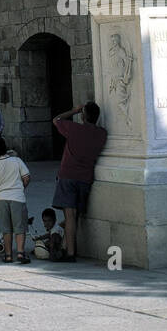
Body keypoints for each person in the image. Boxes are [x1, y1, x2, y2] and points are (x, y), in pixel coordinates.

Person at [51, 102, 107, 261]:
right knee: (75, 216)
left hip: (68, 175)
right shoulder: (102, 134)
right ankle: (66, 245)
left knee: (69, 215)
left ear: (83, 116)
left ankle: (70, 252)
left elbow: (56, 119)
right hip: (85, 178)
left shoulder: (74, 129)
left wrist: (74, 110)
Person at [0, 135, 32, 264]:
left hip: (1, 199)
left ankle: (8, 255)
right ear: (6, 149)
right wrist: (20, 188)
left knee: (6, 229)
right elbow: (26, 177)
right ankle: (21, 253)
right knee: (20, 227)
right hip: (18, 197)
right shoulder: (17, 161)